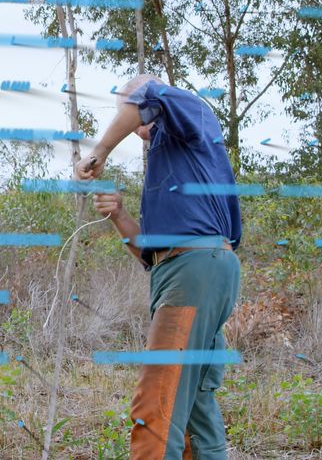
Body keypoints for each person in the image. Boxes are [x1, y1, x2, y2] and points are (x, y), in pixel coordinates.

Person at [75, 74, 242, 460]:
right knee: (195, 405)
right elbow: (150, 255)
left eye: (127, 110)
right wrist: (118, 215)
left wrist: (98, 152)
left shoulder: (190, 110)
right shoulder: (175, 160)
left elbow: (147, 99)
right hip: (197, 270)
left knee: (158, 401)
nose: (134, 126)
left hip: (195, 270)